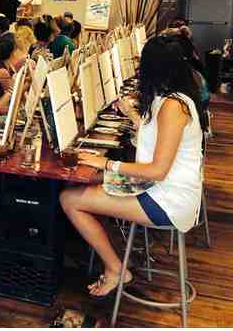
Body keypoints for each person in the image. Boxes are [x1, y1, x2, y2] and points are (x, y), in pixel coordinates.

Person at [59, 36, 205, 298]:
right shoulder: (173, 97)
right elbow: (159, 137)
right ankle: (106, 252)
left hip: (167, 198)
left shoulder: (173, 106)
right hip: (158, 187)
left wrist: (107, 163)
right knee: (83, 181)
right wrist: (132, 115)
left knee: (69, 199)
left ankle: (115, 269)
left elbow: (157, 170)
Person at [0, 33, 27, 98]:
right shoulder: (2, 71)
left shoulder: (9, 65)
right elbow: (14, 95)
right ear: (14, 49)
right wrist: (28, 82)